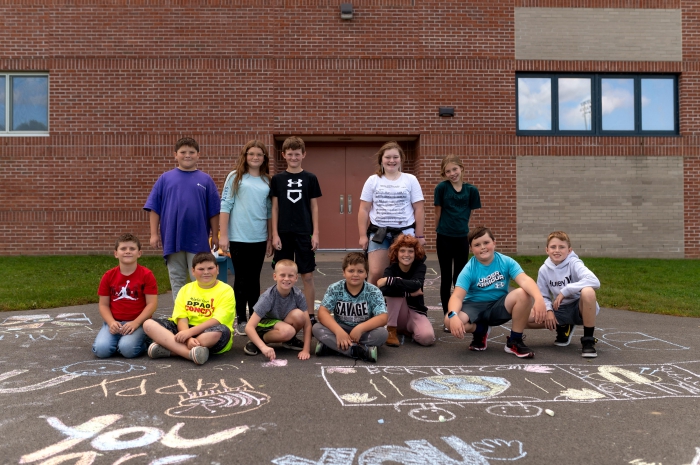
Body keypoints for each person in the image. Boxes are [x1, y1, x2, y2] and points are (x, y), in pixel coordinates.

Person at [445, 227, 547, 359]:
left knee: (523, 293)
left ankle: (514, 341)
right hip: (474, 307)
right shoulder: (469, 269)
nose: (482, 247)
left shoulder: (506, 261)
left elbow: (525, 279)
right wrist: (453, 315)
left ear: (494, 242)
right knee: (448, 320)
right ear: (471, 248)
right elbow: (457, 296)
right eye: (477, 245)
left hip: (498, 306)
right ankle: (481, 331)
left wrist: (539, 299)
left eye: (486, 242)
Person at [144, 137, 220, 300]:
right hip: (172, 238)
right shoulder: (165, 179)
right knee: (177, 279)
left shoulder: (205, 180)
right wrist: (154, 234)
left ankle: (201, 315)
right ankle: (180, 316)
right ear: (175, 155)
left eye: (191, 152)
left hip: (198, 239)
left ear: (198, 155)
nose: (187, 155)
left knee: (201, 279)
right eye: (183, 152)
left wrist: (215, 234)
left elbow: (214, 211)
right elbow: (154, 208)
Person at [220, 140, 273, 336]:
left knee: (255, 279)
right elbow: (225, 205)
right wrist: (223, 235)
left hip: (258, 237)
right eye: (251, 154)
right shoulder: (235, 177)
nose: (255, 157)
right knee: (241, 279)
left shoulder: (267, 180)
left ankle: (254, 318)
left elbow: (269, 211)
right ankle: (241, 319)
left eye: (259, 154)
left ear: (264, 158)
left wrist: (269, 237)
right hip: (238, 237)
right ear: (245, 156)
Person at [143, 252, 235, 365]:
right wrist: (187, 338)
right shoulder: (185, 289)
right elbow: (181, 317)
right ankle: (190, 354)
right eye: (201, 269)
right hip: (184, 330)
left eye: (210, 268)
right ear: (193, 271)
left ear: (217, 269)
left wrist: (189, 334)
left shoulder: (226, 290)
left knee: (218, 332)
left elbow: (217, 320)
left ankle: (171, 350)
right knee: (148, 324)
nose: (206, 272)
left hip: (209, 330)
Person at [270, 136, 322, 325]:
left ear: (303, 155)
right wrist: (274, 234)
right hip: (283, 232)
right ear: (284, 155)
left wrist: (315, 233)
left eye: (297, 154)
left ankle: (310, 314)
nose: (293, 157)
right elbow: (274, 208)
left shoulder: (310, 178)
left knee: (307, 275)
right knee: (282, 274)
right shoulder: (277, 179)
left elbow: (314, 207)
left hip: (304, 232)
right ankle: (279, 312)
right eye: (290, 154)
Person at [358, 141, 425, 285]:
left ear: (401, 159)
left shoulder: (410, 180)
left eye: (395, 157)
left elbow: (419, 209)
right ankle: (373, 306)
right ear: (381, 160)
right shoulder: (373, 180)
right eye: (388, 157)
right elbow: (364, 209)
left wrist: (419, 236)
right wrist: (363, 235)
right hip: (378, 233)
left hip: (405, 233)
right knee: (376, 273)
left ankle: (400, 306)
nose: (391, 161)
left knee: (404, 274)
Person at [526, 231, 601, 358]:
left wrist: (565, 291)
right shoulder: (544, 269)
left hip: (580, 308)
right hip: (560, 309)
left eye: (562, 247)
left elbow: (594, 281)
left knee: (588, 291)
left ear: (569, 250)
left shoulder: (574, 263)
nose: (557, 250)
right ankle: (564, 326)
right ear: (547, 250)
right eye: (553, 247)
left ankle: (588, 341)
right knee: (524, 320)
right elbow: (543, 295)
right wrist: (549, 311)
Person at [434, 155, 481, 330]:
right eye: (448, 171)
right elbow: (437, 213)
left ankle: (459, 314)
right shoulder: (442, 188)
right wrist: (439, 230)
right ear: (444, 174)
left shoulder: (471, 190)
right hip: (444, 237)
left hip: (462, 237)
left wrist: (463, 229)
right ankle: (448, 317)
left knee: (460, 278)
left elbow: (470, 214)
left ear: (461, 168)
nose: (452, 173)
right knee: (446, 277)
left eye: (455, 169)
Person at [313, 252, 388, 362]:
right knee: (316, 328)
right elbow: (322, 313)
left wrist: (360, 328)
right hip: (341, 328)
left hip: (363, 331)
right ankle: (359, 351)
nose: (355, 274)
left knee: (382, 334)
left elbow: (383, 317)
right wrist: (338, 331)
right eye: (351, 271)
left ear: (366, 273)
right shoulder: (335, 288)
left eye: (360, 271)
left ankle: (331, 347)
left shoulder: (373, 291)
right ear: (344, 272)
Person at [93, 234, 158, 358]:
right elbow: (103, 305)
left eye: (132, 249)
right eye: (123, 249)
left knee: (128, 350)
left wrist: (136, 323)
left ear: (139, 253)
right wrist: (111, 322)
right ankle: (119, 342)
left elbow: (152, 304)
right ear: (116, 253)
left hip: (138, 323)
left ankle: (146, 341)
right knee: (101, 350)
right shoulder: (108, 276)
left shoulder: (146, 275)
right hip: (115, 323)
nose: (127, 251)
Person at [243, 259, 312, 361]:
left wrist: (306, 350)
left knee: (299, 315)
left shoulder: (298, 294)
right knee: (288, 331)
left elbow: (307, 324)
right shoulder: (268, 297)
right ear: (275, 276)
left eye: (290, 275)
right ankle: (259, 340)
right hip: (264, 325)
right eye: (282, 275)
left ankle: (289, 340)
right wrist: (263, 347)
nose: (286, 279)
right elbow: (249, 327)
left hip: (281, 322)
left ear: (296, 278)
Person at [377, 235, 435, 347]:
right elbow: (384, 291)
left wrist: (391, 280)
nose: (406, 255)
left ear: (415, 253)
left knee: (427, 338)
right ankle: (391, 330)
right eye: (402, 251)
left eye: (410, 251)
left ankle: (407, 330)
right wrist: (408, 293)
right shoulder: (391, 269)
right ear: (397, 253)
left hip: (414, 312)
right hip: (395, 315)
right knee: (394, 287)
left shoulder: (420, 267)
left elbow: (417, 284)